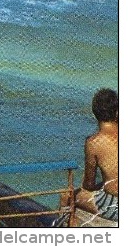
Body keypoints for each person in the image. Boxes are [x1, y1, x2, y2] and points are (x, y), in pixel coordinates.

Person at [59, 89, 118, 225]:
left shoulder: (94, 142)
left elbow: (88, 184)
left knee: (66, 196)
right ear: (116, 112)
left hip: (115, 206)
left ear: (94, 113)